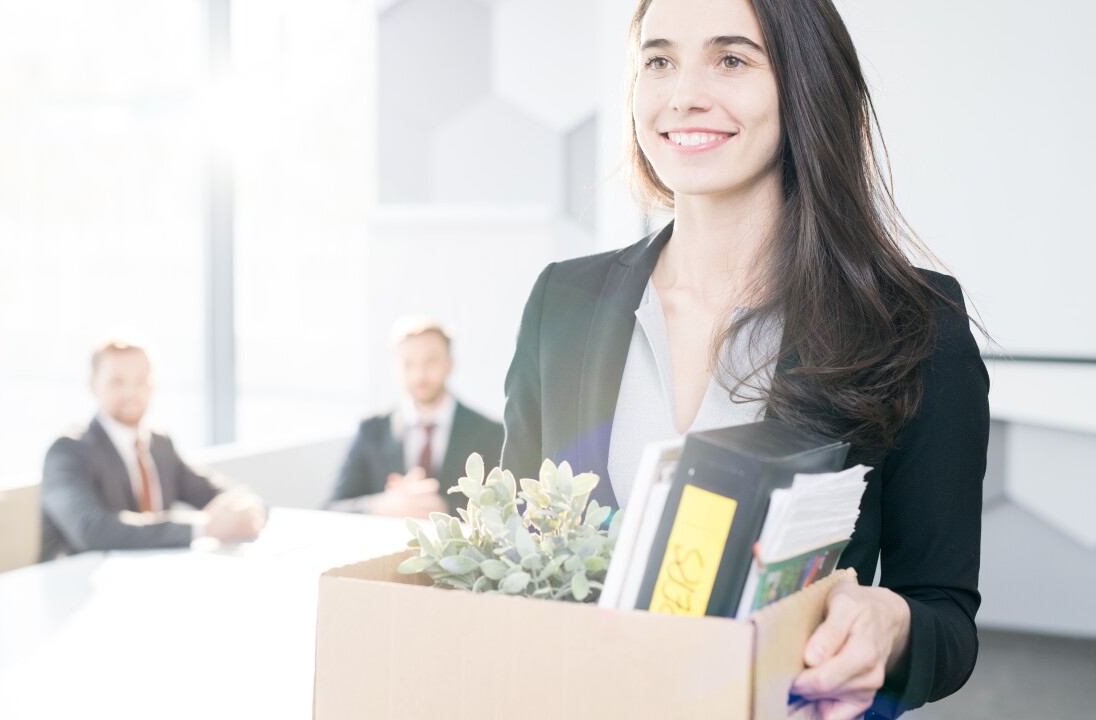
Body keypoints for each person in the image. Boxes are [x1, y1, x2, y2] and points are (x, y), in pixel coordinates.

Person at [500, 1, 989, 718]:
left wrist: (893, 629)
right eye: (659, 60)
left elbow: (944, 616)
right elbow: (510, 559)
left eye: (731, 59)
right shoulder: (561, 303)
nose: (682, 94)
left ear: (806, 85)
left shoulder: (913, 325)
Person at [40, 341, 266, 559]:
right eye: (117, 382)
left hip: (151, 577)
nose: (131, 392)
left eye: (141, 380)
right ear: (93, 385)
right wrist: (202, 528)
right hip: (74, 585)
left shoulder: (160, 443)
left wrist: (245, 508)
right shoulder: (67, 452)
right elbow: (91, 529)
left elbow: (214, 489)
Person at [327, 317, 505, 518]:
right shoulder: (371, 429)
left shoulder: (491, 433)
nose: (419, 374)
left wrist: (445, 509)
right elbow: (331, 507)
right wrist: (380, 506)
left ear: (450, 364)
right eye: (408, 363)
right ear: (396, 368)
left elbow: (508, 510)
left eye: (430, 361)